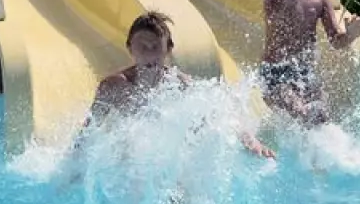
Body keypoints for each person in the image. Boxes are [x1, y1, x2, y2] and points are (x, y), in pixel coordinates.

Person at [74, 11, 275, 159]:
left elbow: (221, 113)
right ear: (130, 48)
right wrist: (74, 169)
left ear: (168, 49)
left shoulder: (179, 84)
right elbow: (88, 131)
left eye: (155, 46)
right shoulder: (113, 87)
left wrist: (252, 142)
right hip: (128, 160)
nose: (149, 53)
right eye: (142, 46)